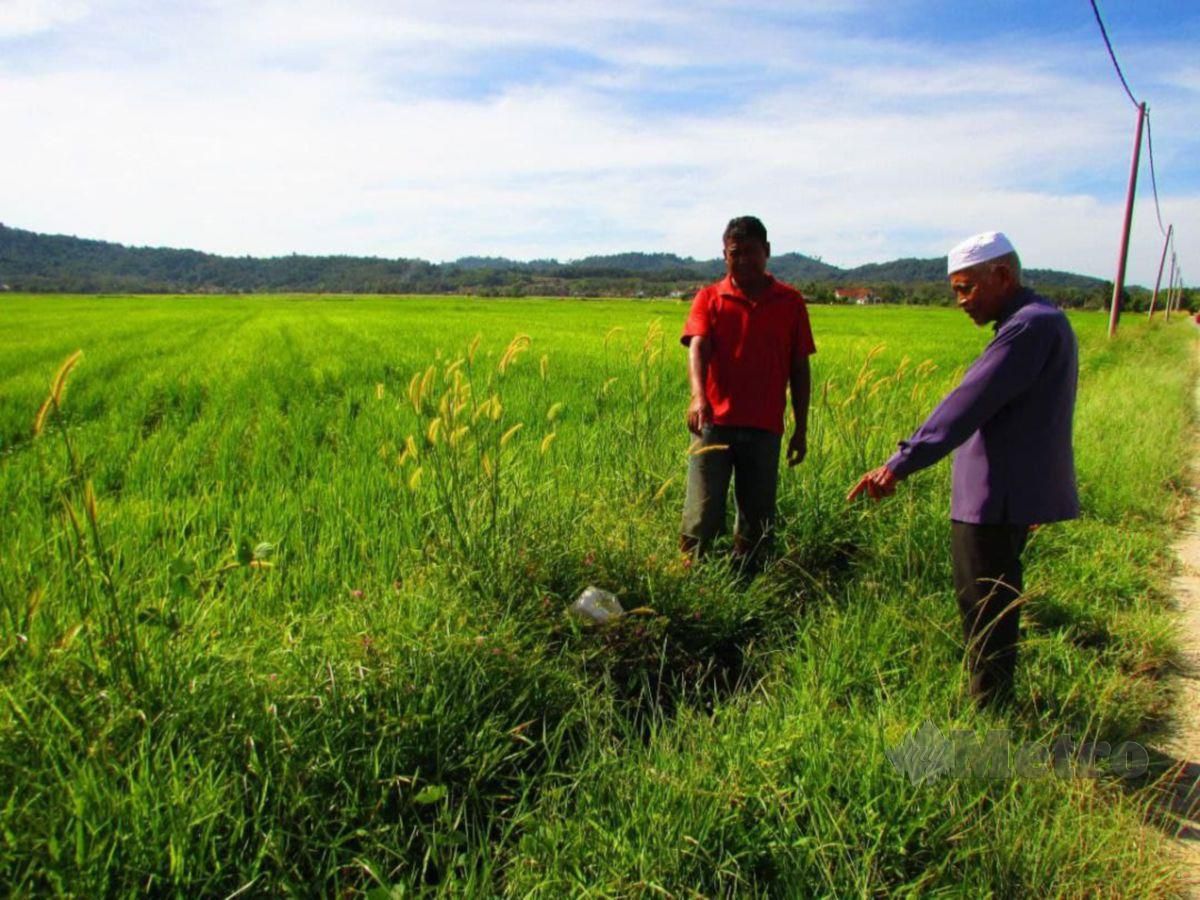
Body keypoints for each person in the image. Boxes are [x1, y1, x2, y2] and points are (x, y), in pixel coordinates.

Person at [847, 231, 1079, 709]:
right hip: (1007, 495)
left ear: (1003, 276)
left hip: (994, 501)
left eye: (966, 288)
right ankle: (991, 703)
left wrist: (898, 464)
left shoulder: (1028, 328)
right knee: (991, 603)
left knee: (985, 609)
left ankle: (990, 716)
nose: (959, 301)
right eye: (955, 290)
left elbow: (966, 404)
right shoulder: (1039, 322)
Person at [679, 215, 816, 573]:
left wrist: (801, 427)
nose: (742, 260)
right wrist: (698, 396)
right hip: (714, 424)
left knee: (757, 517)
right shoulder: (710, 297)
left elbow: (800, 369)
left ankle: (748, 586)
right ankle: (691, 580)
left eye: (750, 252)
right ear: (724, 255)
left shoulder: (790, 302)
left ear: (767, 252)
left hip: (764, 426)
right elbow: (697, 346)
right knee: (702, 511)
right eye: (734, 253)